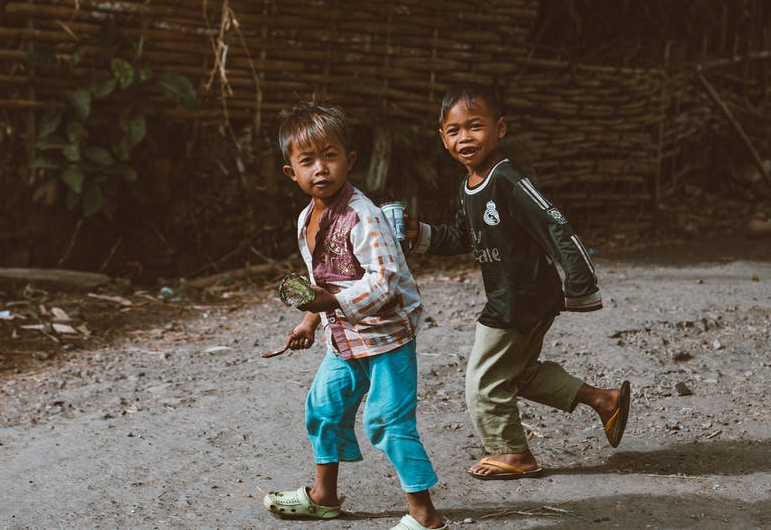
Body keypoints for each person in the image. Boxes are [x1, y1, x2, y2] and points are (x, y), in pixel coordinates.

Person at [407, 84, 631, 480]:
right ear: (442, 139)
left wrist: (580, 283)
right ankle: (604, 400)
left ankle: (512, 452)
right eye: (454, 131)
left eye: (475, 126)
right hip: (514, 295)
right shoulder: (469, 185)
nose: (465, 138)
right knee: (520, 372)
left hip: (519, 299)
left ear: (500, 128)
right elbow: (463, 236)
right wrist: (419, 233)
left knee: (482, 382)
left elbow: (554, 222)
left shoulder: (507, 179)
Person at [263, 102, 447, 530]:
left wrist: (325, 305)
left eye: (330, 156)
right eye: (307, 161)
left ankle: (426, 516)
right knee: (322, 409)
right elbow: (318, 278)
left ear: (351, 160)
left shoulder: (365, 216)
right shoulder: (307, 217)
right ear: (291, 172)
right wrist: (309, 321)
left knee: (386, 420)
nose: (321, 169)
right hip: (345, 339)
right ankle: (323, 497)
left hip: (387, 340)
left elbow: (384, 282)